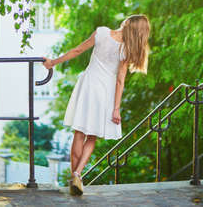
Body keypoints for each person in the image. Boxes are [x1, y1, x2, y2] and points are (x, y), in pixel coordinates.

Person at [43, 14, 150, 195]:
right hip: (105, 92)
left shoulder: (101, 32)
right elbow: (120, 81)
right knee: (91, 137)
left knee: (79, 132)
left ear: (126, 23)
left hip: (88, 85)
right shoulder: (127, 49)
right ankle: (77, 174)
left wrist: (52, 62)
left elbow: (77, 51)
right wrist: (116, 108)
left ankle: (73, 177)